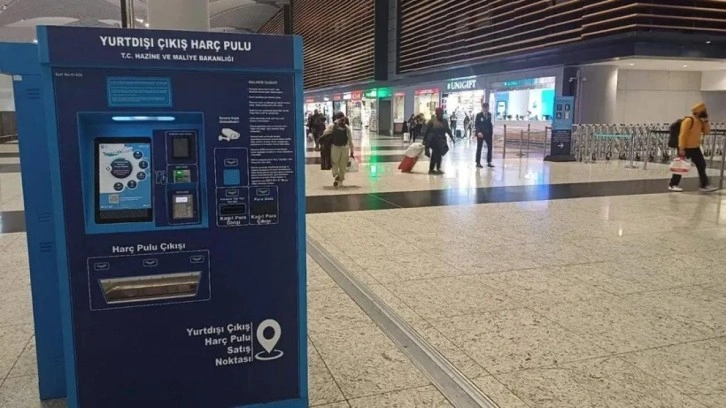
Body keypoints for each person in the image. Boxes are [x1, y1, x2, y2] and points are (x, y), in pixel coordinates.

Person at [669, 102, 717, 192]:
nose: (705, 112)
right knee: (680, 165)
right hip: (685, 148)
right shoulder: (688, 120)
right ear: (699, 111)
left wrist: (706, 121)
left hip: (695, 148)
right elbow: (682, 135)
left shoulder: (700, 121)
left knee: (701, 165)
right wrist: (681, 148)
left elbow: (707, 132)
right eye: (703, 111)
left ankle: (704, 185)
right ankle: (673, 184)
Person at [322, 112, 354, 188]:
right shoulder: (346, 127)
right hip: (345, 147)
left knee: (334, 162)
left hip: (335, 147)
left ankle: (336, 175)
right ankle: (341, 181)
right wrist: (352, 151)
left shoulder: (332, 125)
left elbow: (324, 133)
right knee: (343, 165)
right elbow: (350, 140)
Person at [423, 107, 455, 175]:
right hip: (433, 140)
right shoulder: (432, 121)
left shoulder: (445, 121)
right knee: (437, 153)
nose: (441, 114)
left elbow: (448, 130)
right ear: (437, 113)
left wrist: (451, 137)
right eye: (440, 113)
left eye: (442, 113)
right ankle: (437, 168)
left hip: (442, 140)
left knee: (436, 154)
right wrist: (424, 140)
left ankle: (432, 169)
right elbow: (426, 131)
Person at [475, 103, 495, 168]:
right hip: (480, 134)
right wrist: (478, 132)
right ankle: (478, 162)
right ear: (483, 108)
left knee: (490, 147)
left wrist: (491, 133)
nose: (486, 109)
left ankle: (489, 162)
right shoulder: (478, 115)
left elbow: (490, 124)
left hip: (488, 134)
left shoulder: (490, 115)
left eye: (487, 108)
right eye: (485, 108)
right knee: (479, 148)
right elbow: (476, 124)